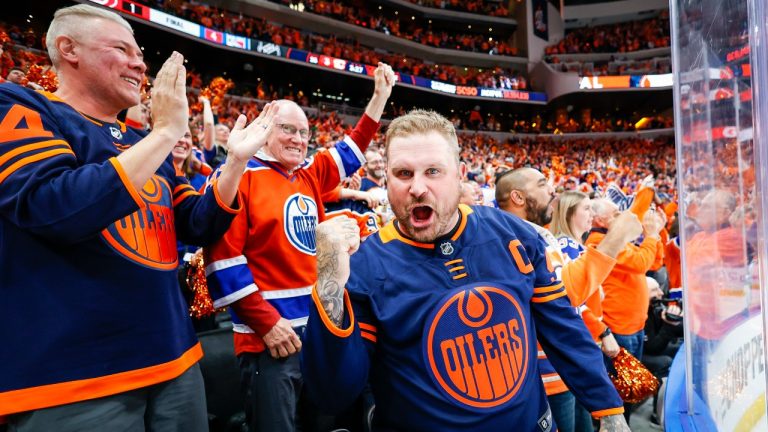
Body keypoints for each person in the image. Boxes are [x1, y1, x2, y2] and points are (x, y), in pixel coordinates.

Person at [0, 4, 276, 430]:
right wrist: (165, 133)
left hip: (175, 358)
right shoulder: (24, 107)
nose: (139, 62)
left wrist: (235, 163)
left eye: (139, 52)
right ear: (68, 49)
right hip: (74, 375)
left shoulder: (140, 142)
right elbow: (54, 208)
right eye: (121, 48)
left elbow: (195, 222)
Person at [302, 110, 630, 431]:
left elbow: (564, 330)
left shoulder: (513, 235)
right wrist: (330, 283)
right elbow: (333, 394)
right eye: (403, 174)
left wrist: (610, 410)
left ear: (459, 174)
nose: (417, 187)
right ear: (386, 177)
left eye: (433, 171)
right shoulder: (365, 267)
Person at [204, 63, 396, 432]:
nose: (297, 138)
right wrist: (266, 323)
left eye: (304, 132)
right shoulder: (237, 176)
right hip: (271, 340)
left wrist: (378, 99)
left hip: (314, 333)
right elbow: (223, 259)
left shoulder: (307, 172)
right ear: (264, 131)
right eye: (287, 129)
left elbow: (352, 149)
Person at [496, 173, 642, 432]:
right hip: (548, 374)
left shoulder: (540, 237)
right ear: (517, 197)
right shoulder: (509, 240)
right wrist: (617, 236)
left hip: (566, 367)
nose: (552, 190)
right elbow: (565, 294)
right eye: (542, 184)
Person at [585, 198, 664, 422]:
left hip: (634, 327)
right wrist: (650, 235)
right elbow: (640, 263)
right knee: (621, 394)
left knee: (629, 390)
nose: (621, 216)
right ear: (599, 219)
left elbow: (654, 263)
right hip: (618, 329)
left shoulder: (615, 238)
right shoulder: (601, 241)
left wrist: (655, 235)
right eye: (616, 213)